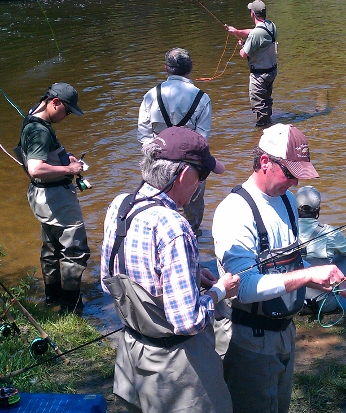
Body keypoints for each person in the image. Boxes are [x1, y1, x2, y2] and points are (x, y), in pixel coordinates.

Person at [212, 123, 346, 413]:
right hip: (247, 338)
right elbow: (244, 288)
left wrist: (339, 284)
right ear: (265, 162)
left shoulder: (287, 200)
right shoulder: (234, 212)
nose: (296, 183)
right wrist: (310, 274)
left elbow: (293, 264)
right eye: (290, 173)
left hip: (284, 331)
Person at [100, 127, 241, 413]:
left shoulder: (120, 206)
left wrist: (191, 273)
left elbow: (108, 282)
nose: (201, 184)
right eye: (202, 175)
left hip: (131, 356)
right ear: (185, 174)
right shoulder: (174, 226)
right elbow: (188, 321)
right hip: (177, 369)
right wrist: (219, 291)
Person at [17, 82, 90, 314]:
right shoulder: (39, 130)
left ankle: (52, 298)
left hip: (41, 197)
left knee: (51, 248)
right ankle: (71, 308)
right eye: (67, 111)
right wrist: (70, 169)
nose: (67, 116)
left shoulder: (33, 116)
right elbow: (36, 168)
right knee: (75, 251)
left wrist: (64, 157)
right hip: (56, 198)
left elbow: (41, 154)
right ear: (55, 102)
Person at [138, 48, 213, 236]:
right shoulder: (202, 98)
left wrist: (155, 157)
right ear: (191, 67)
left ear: (166, 68)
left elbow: (144, 135)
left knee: (157, 208)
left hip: (158, 162)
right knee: (193, 209)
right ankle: (192, 238)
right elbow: (201, 139)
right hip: (190, 164)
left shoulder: (151, 95)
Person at [295, 186, 346, 314]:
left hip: (293, 304)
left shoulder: (286, 230)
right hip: (324, 305)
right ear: (318, 210)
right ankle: (340, 291)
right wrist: (345, 240)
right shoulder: (329, 232)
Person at [225, 0, 278, 128]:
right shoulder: (271, 25)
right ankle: (269, 123)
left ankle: (261, 130)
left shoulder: (255, 34)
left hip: (259, 76)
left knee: (259, 105)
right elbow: (254, 32)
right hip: (271, 71)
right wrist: (237, 32)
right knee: (266, 101)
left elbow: (243, 54)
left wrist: (243, 45)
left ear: (253, 14)